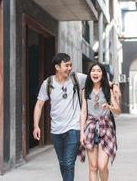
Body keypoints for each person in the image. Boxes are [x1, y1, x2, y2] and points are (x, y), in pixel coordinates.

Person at [33, 53, 86, 181]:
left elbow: (97, 78)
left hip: (73, 128)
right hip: (56, 130)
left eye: (70, 65)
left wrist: (112, 85)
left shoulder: (76, 78)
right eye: (66, 65)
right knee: (63, 163)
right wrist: (36, 126)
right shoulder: (48, 83)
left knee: (68, 163)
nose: (69, 68)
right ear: (57, 67)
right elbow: (39, 105)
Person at [79, 63, 121, 181]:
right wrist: (81, 132)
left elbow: (118, 111)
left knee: (102, 167)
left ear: (103, 74)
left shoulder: (108, 90)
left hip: (106, 129)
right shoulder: (85, 90)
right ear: (90, 73)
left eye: (98, 71)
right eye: (93, 70)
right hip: (90, 129)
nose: (95, 73)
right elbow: (83, 112)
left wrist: (109, 107)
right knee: (93, 167)